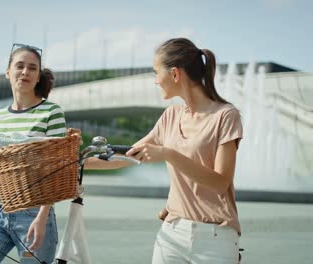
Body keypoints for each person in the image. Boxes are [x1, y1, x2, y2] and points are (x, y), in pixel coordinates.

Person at [87, 37, 243, 264]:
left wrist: (168, 154)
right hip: (172, 234)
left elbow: (220, 182)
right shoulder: (170, 115)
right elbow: (129, 155)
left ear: (175, 74)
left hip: (216, 238)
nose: (155, 81)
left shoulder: (226, 116)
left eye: (155, 72)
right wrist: (76, 160)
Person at [0, 43, 67, 264]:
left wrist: (42, 218)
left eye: (32, 68)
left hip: (34, 213)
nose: (25, 72)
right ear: (7, 72)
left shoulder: (52, 112)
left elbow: (56, 169)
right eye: (20, 66)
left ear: (39, 76)